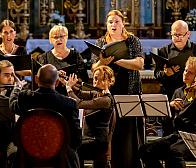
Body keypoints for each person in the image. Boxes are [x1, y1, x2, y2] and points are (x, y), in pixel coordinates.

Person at [91, 9, 144, 168]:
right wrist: (103, 62)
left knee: (128, 132)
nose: (113, 25)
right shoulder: (101, 42)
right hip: (107, 92)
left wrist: (117, 60)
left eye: (116, 21)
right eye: (110, 22)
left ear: (123, 24)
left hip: (130, 90)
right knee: (108, 131)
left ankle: (129, 164)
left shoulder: (132, 40)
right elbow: (94, 68)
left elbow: (139, 64)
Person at [9, 64, 82, 168]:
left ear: (36, 79)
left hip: (28, 158)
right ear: (57, 82)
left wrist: (17, 88)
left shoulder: (25, 98)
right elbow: (77, 140)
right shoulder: (69, 104)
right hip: (59, 159)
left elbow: (12, 106)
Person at [139, 56, 196, 168]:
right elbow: (166, 120)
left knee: (174, 152)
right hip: (176, 136)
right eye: (185, 70)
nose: (185, 74)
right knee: (145, 149)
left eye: (190, 73)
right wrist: (169, 106)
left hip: (192, 137)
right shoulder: (178, 91)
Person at [65, 65, 115, 168]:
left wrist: (69, 89)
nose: (96, 81)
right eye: (95, 78)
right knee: (70, 143)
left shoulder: (106, 100)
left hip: (97, 142)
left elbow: (79, 104)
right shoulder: (97, 94)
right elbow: (79, 93)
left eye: (100, 79)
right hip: (89, 138)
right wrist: (67, 82)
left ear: (110, 81)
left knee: (71, 147)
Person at [154, 20, 196, 135]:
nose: (178, 38)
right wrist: (166, 73)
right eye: (174, 35)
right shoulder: (163, 51)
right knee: (168, 131)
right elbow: (157, 74)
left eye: (180, 35)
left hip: (191, 97)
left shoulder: (195, 49)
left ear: (188, 34)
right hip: (169, 94)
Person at [37, 24, 88, 95]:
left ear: (66, 38)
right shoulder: (43, 57)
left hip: (72, 94)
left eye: (61, 36)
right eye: (55, 37)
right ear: (50, 40)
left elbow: (84, 77)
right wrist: (55, 75)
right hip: (51, 95)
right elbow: (41, 81)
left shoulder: (75, 55)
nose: (58, 39)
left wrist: (71, 82)